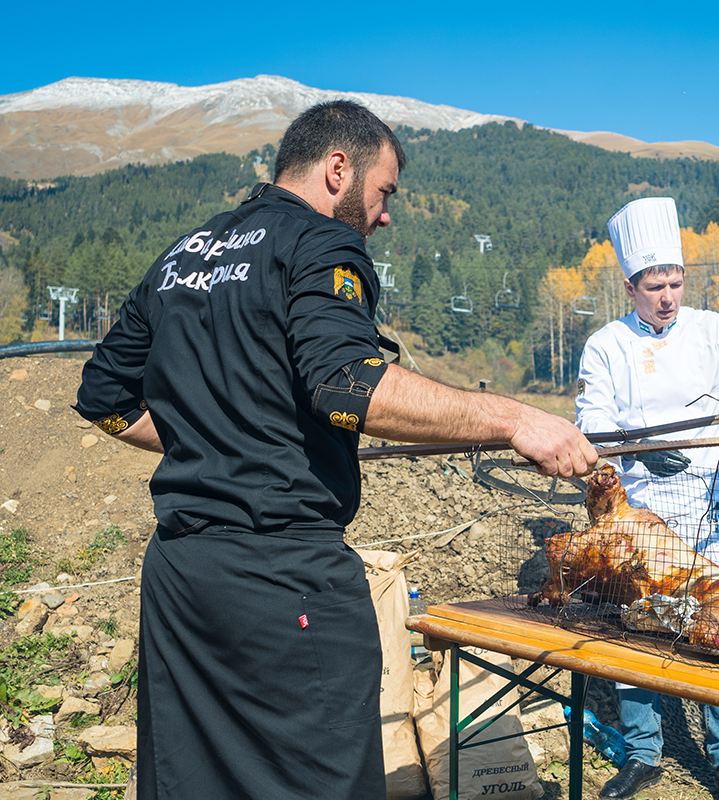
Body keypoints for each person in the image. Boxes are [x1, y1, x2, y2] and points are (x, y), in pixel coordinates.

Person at [73, 100, 597, 800]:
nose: (384, 215)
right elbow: (347, 381)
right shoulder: (319, 243)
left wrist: (213, 432)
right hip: (283, 577)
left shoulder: (184, 255)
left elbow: (105, 399)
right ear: (337, 168)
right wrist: (512, 419)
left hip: (181, 581)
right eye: (384, 193)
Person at [575, 196, 719, 800]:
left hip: (710, 513)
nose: (669, 297)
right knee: (635, 630)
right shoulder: (605, 346)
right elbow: (591, 422)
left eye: (675, 282)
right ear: (631, 286)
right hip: (642, 515)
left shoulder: (711, 328)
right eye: (655, 286)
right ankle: (645, 753)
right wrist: (637, 449)